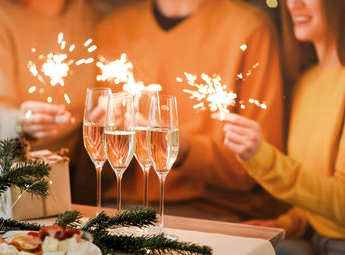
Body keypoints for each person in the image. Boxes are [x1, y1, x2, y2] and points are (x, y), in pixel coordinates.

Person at [95, 0, 289, 220]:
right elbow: (96, 168)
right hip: (121, 205)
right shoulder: (111, 28)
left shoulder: (249, 28)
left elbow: (260, 165)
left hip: (211, 212)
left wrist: (181, 148)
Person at [214, 0, 345, 253]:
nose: (293, 5)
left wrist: (262, 158)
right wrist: (286, 223)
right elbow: (318, 191)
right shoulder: (305, 84)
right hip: (315, 240)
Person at [0, 0, 96, 156]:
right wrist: (21, 122)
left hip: (83, 164)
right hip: (19, 166)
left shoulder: (93, 15)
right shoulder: (0, 17)